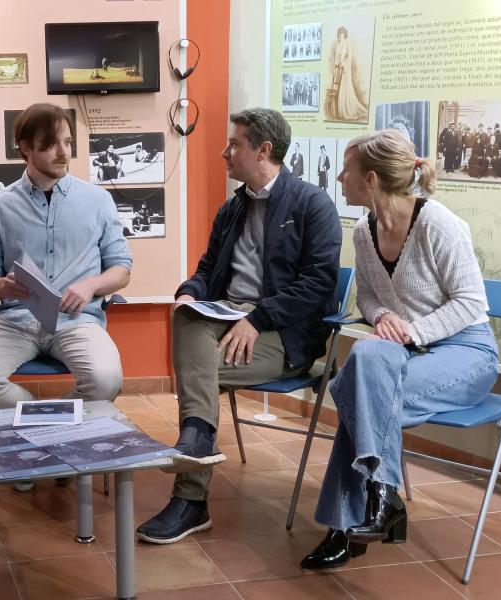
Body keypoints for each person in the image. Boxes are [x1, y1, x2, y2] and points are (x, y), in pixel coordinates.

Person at [135, 108, 342, 544]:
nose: (223, 152)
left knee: (197, 372)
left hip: (283, 334)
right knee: (185, 314)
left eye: (234, 144)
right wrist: (189, 292)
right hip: (227, 316)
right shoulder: (232, 209)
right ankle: (197, 441)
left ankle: (191, 495)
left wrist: (257, 319)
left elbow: (318, 284)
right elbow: (207, 270)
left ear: (263, 150)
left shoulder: (312, 204)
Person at [301, 129, 498, 570]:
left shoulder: (438, 224)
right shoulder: (363, 232)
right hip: (406, 348)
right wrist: (383, 318)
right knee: (365, 360)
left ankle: (346, 525)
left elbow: (471, 303)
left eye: (346, 170)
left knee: (360, 394)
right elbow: (370, 298)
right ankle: (383, 498)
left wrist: (410, 331)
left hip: (466, 352)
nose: (339, 178)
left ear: (371, 179)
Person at [0, 102, 131, 412]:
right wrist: (1, 286)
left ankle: (47, 422)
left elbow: (121, 269)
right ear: (26, 148)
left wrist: (91, 285)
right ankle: (49, 420)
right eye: (51, 144)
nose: (63, 152)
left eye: (67, 142)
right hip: (14, 320)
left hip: (77, 321)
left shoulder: (98, 200)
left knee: (106, 380)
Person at [329, 26, 368, 122]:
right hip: (338, 69)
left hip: (344, 70)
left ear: (345, 36)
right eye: (339, 36)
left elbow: (348, 56)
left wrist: (343, 63)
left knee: (344, 89)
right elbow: (337, 57)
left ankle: (346, 110)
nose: (340, 38)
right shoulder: (338, 45)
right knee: (336, 89)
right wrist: (336, 65)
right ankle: (338, 111)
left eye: (342, 36)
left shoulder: (347, 44)